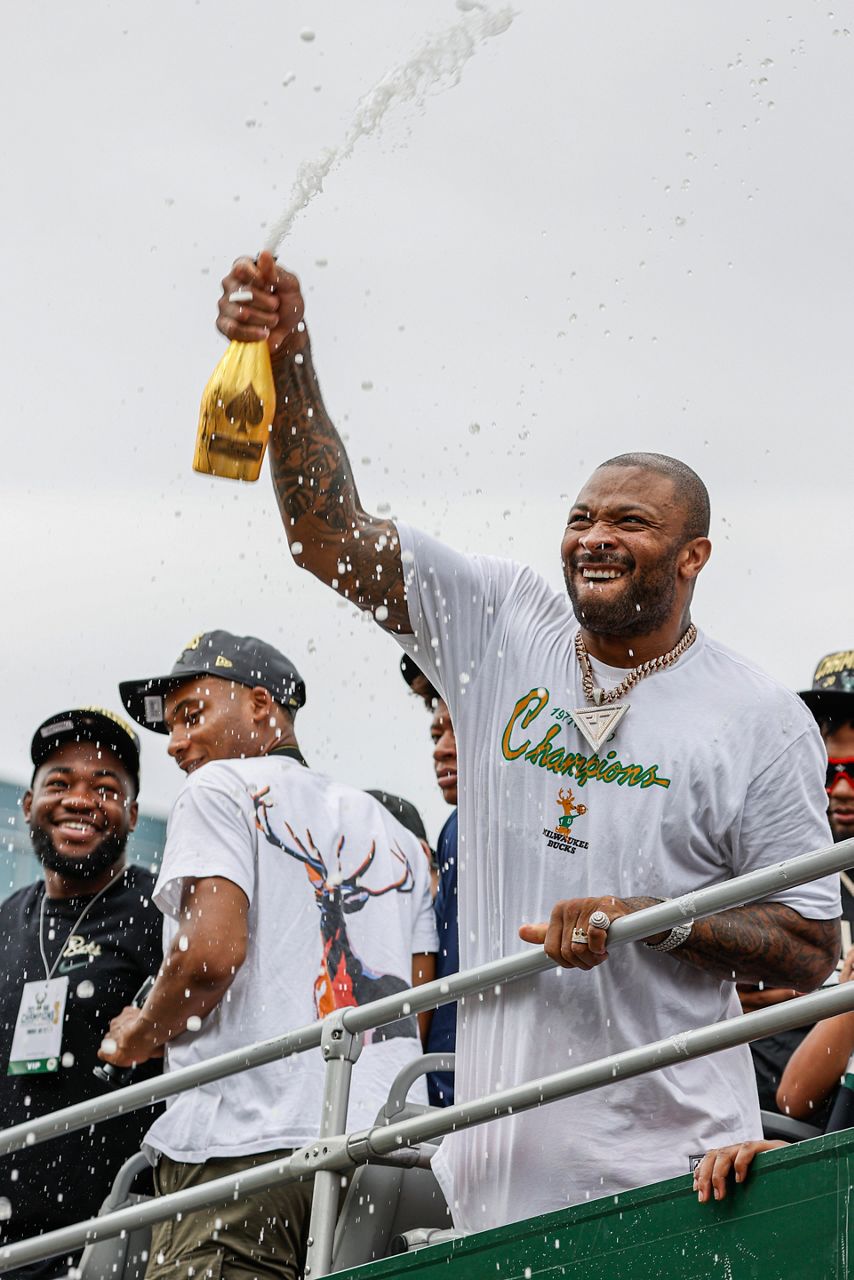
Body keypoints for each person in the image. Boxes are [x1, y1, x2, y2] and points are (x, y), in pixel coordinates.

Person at [213, 254, 841, 1232]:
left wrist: (654, 918)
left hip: (681, 1173)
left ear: (692, 555)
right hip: (492, 1177)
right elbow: (326, 534)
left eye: (629, 522)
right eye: (580, 516)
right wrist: (289, 353)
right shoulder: (500, 620)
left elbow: (808, 946)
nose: (593, 535)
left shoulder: (756, 714)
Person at [101, 630, 437, 1280]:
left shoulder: (219, 788)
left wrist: (139, 1035)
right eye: (169, 729)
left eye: (191, 715)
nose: (175, 744)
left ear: (262, 706)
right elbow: (414, 1007)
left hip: (246, 1156)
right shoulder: (393, 830)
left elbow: (207, 960)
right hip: (393, 1157)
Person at [0, 708, 162, 1279]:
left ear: (132, 814)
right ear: (29, 803)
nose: (81, 800)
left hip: (117, 1229)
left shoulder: (162, 913)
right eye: (60, 783)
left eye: (105, 788)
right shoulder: (8, 919)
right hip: (8, 1236)